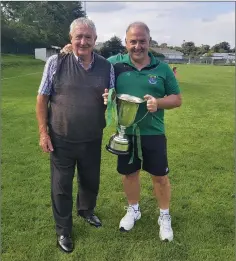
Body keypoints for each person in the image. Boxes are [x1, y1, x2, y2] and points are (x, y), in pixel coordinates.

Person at [36, 17, 114, 253]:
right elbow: (42, 97)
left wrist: (108, 101)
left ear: (95, 40)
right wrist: (43, 132)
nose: (83, 41)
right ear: (70, 39)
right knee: (61, 187)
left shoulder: (106, 66)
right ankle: (63, 230)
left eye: (88, 37)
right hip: (61, 137)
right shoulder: (55, 62)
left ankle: (86, 211)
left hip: (92, 137)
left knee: (90, 181)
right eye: (78, 36)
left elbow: (111, 98)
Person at [104, 22, 182, 242]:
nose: (137, 46)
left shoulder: (162, 68)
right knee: (129, 174)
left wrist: (158, 102)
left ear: (149, 41)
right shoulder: (113, 64)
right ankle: (133, 210)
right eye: (133, 41)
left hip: (154, 132)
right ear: (125, 42)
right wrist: (70, 49)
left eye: (142, 41)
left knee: (160, 176)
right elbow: (88, 62)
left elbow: (177, 99)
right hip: (125, 132)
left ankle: (164, 216)